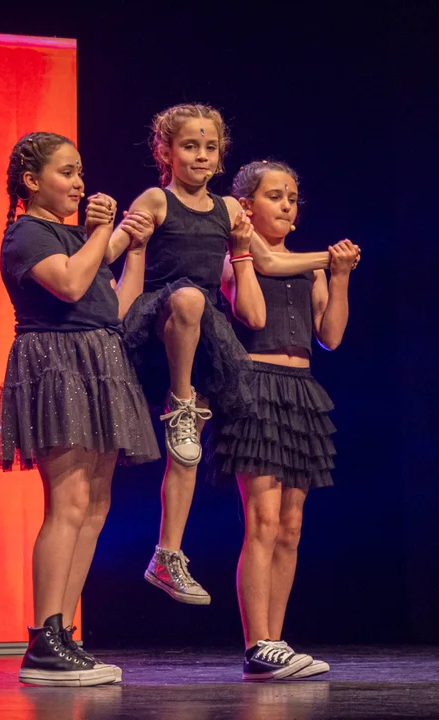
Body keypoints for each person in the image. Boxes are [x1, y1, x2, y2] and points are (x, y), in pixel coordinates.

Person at [103, 104, 358, 605]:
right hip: (164, 317)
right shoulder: (155, 198)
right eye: (190, 146)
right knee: (189, 300)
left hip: (204, 334)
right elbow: (114, 251)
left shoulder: (226, 211)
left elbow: (269, 263)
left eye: (210, 147)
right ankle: (180, 400)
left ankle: (167, 554)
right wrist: (103, 236)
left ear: (221, 156)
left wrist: (332, 265)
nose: (201, 155)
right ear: (165, 152)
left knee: (188, 451)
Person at [0, 131, 160, 686]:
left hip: (99, 358)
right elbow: (68, 284)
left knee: (94, 505)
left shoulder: (76, 238)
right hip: (57, 363)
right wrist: (101, 233)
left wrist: (134, 249)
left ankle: (64, 634)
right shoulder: (26, 234)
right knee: (67, 502)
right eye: (66, 172)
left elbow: (115, 306)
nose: (78, 183)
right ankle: (43, 640)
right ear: (32, 181)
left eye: (80, 172)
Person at [212, 160, 358, 680]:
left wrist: (338, 276)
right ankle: (257, 644)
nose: (287, 205)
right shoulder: (237, 257)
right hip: (256, 386)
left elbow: (330, 337)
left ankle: (276, 641)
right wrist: (251, 253)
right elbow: (254, 301)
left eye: (293, 197)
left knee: (291, 528)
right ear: (246, 206)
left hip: (301, 391)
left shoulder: (311, 267)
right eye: (275, 196)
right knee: (264, 521)